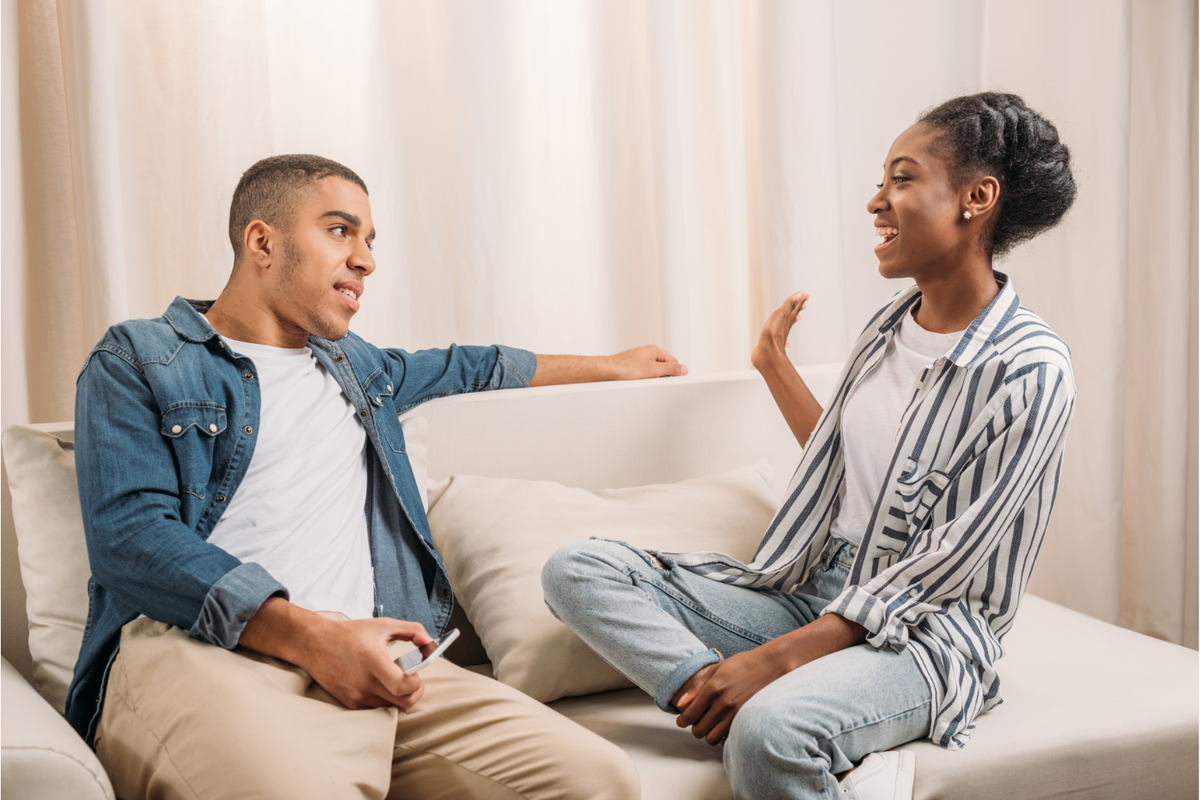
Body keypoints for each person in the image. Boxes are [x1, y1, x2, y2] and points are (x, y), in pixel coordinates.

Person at [67, 154, 687, 800]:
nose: (365, 259)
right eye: (340, 231)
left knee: (595, 779)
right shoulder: (140, 357)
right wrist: (313, 638)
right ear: (262, 242)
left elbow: (469, 366)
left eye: (369, 240)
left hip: (379, 656)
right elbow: (131, 539)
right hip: (208, 652)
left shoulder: (360, 370)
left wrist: (610, 366)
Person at [543, 92, 1077, 800]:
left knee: (773, 735)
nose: (876, 202)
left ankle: (761, 711)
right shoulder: (889, 328)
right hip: (811, 588)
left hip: (922, 631)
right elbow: (852, 466)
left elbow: (942, 565)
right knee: (577, 567)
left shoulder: (1031, 368)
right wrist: (773, 369)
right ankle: (713, 698)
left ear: (975, 198)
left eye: (902, 178)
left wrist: (772, 665)